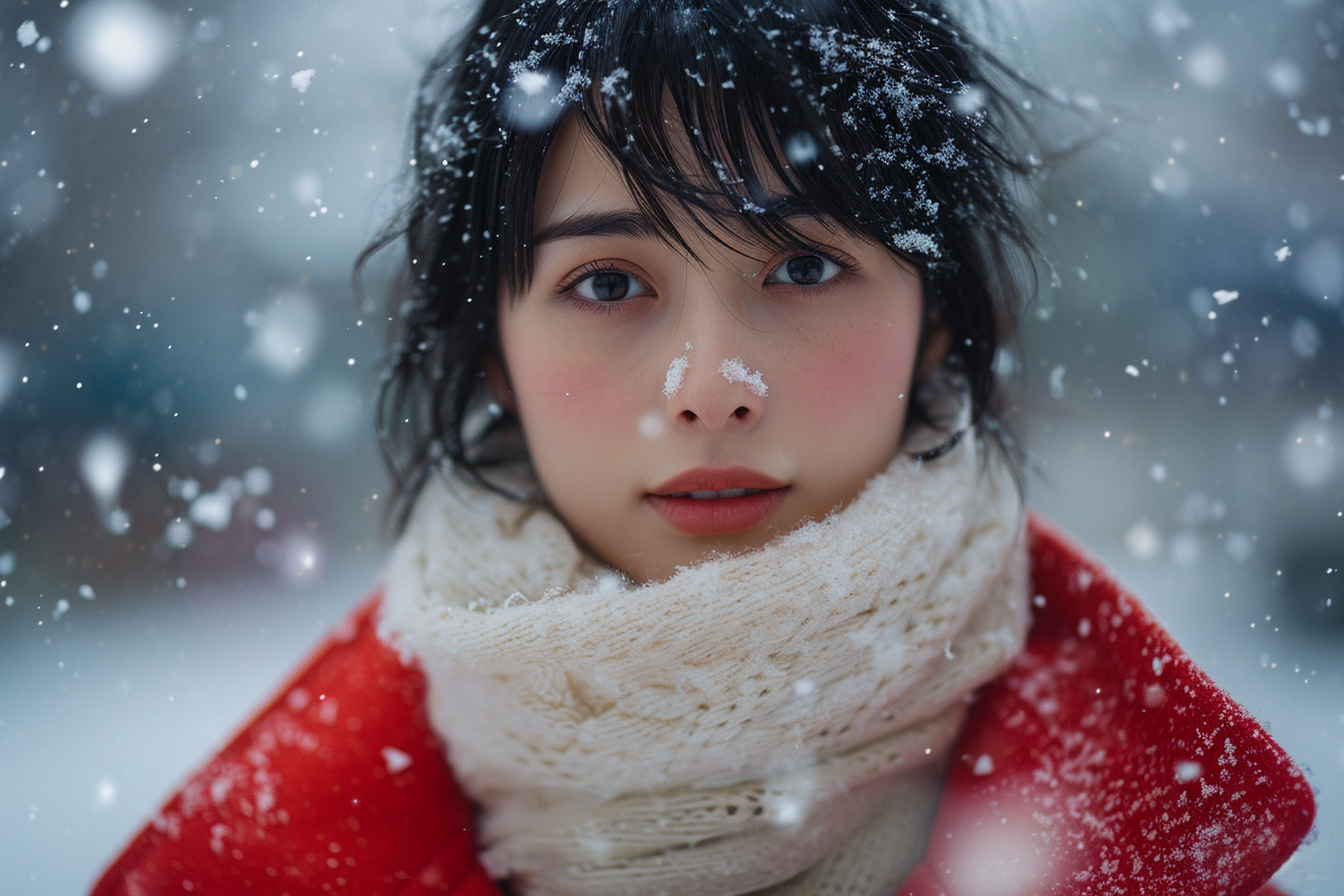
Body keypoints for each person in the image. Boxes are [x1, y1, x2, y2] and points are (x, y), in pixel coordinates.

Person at [90, 1, 1315, 894]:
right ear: (488, 350)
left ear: (934, 319)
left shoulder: (1160, 843)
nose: (713, 387)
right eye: (611, 279)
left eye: (803, 264)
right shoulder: (258, 863)